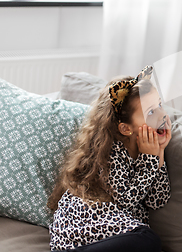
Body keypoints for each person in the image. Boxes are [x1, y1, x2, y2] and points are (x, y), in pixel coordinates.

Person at [47, 66, 172, 252]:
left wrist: (159, 153)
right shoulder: (112, 152)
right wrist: (150, 159)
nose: (162, 116)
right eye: (151, 112)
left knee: (150, 244)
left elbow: (157, 200)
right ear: (125, 128)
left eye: (160, 105)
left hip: (115, 234)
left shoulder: (150, 155)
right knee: (147, 238)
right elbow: (127, 200)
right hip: (83, 227)